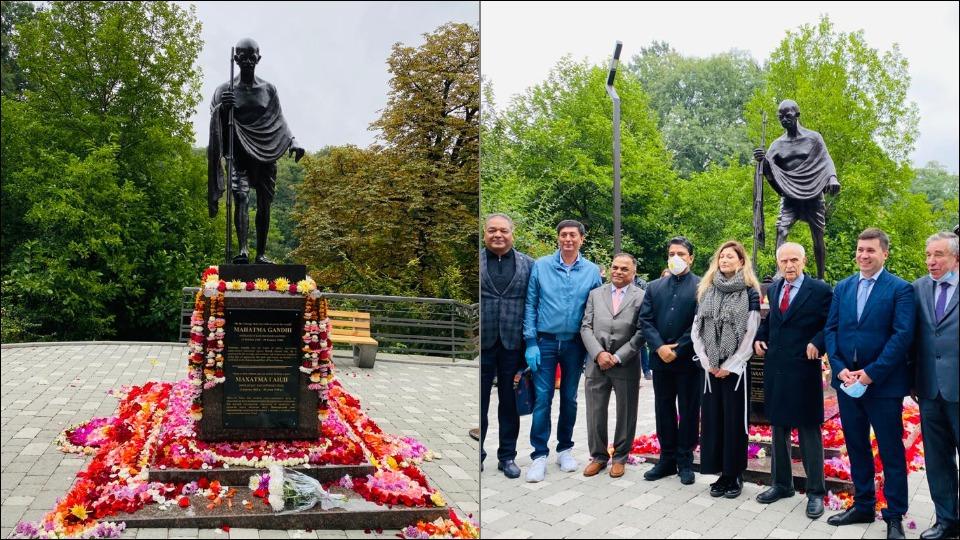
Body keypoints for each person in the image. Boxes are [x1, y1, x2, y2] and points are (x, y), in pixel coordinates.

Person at [825, 228, 915, 540]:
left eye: (871, 250)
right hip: (847, 384)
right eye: (860, 249)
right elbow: (831, 330)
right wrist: (839, 369)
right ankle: (863, 504)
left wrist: (871, 373)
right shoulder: (844, 287)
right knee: (856, 445)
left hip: (883, 385)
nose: (864, 255)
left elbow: (902, 336)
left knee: (890, 451)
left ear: (884, 253)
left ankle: (894, 515)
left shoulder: (900, 290)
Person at [208, 38, 305, 264]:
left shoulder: (268, 89)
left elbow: (279, 119)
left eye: (252, 57)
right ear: (236, 59)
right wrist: (223, 108)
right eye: (242, 56)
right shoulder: (224, 90)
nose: (248, 61)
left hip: (266, 152)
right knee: (241, 196)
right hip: (238, 153)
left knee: (264, 201)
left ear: (259, 58)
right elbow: (214, 121)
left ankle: (261, 254)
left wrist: (293, 141)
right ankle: (243, 250)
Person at [754, 242, 833, 518]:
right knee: (778, 427)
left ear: (804, 261)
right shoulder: (774, 289)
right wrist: (760, 336)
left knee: (809, 429)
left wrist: (818, 342)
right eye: (784, 261)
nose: (789, 265)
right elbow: (771, 321)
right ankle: (781, 484)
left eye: (794, 260)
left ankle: (815, 492)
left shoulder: (820, 290)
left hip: (804, 367)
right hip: (776, 367)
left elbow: (830, 323)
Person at [523, 220, 602, 482]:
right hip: (545, 341)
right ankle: (539, 455)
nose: (568, 239)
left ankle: (565, 449)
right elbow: (531, 303)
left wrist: (593, 348)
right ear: (558, 238)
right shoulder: (541, 266)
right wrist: (530, 341)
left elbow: (593, 310)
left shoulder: (591, 271)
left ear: (581, 239)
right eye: (563, 235)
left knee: (569, 397)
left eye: (573, 235)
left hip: (575, 343)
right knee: (542, 398)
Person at [691, 240, 761, 498]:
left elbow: (750, 331)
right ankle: (720, 474)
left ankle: (734, 475)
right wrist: (708, 361)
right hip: (710, 369)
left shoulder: (750, 292)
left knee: (734, 422)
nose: (725, 260)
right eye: (722, 256)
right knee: (713, 421)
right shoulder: (707, 290)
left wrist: (730, 365)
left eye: (731, 256)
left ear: (741, 262)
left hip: (735, 371)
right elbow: (696, 328)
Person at [638, 236, 702, 485]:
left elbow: (700, 322)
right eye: (672, 253)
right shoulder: (654, 287)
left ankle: (685, 460)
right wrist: (659, 347)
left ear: (691, 258)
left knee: (688, 410)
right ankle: (666, 459)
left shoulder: (701, 287)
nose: (676, 258)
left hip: (687, 361)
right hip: (660, 360)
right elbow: (645, 320)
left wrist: (679, 348)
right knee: (663, 409)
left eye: (681, 254)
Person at [753, 99, 840, 279]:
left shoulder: (813, 138)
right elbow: (768, 170)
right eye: (780, 117)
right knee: (781, 229)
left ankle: (821, 277)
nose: (784, 119)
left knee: (818, 236)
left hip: (813, 194)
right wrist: (761, 160)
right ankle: (779, 273)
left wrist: (832, 178)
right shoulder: (777, 145)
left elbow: (826, 160)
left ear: (797, 115)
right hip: (790, 197)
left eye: (788, 115)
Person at [910, 231, 959, 540]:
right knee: (938, 460)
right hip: (929, 390)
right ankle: (946, 521)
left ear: (955, 257)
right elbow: (911, 337)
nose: (931, 261)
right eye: (928, 255)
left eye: (938, 255)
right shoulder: (918, 289)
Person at [580, 253, 646, 478]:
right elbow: (585, 326)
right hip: (597, 362)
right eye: (615, 267)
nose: (618, 272)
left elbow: (641, 331)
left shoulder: (642, 297)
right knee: (595, 411)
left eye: (624, 269)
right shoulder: (595, 294)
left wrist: (618, 356)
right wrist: (598, 354)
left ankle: (620, 457)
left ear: (633, 272)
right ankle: (598, 456)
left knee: (626, 412)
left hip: (625, 363)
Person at [480, 214, 534, 479]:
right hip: (483, 342)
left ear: (512, 233)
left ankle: (507, 456)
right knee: (479, 400)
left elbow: (533, 304)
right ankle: (477, 454)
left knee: (509, 402)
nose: (497, 235)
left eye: (503, 230)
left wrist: (531, 343)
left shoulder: (528, 265)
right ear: (484, 233)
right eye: (492, 230)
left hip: (514, 343)